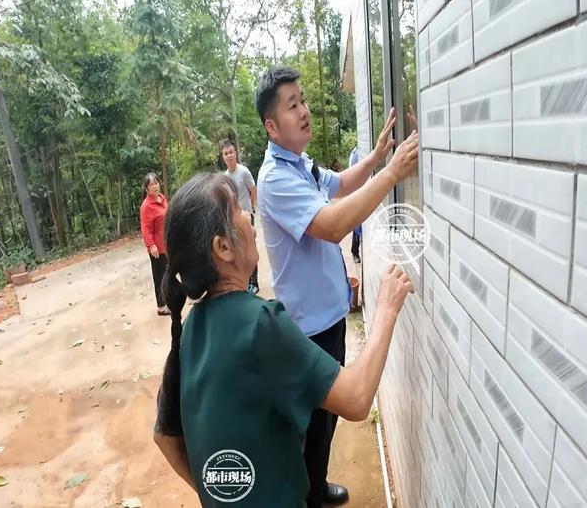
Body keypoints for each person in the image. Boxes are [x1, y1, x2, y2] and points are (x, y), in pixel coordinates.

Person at [152, 172, 414, 507]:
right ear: (224, 247)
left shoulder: (190, 327)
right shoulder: (260, 324)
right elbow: (357, 398)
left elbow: (163, 436)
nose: (250, 219)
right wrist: (387, 307)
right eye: (240, 213)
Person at [255, 66, 419, 507]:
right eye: (292, 106)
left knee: (324, 421)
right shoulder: (275, 180)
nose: (304, 111)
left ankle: (317, 483)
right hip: (308, 329)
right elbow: (332, 224)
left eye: (302, 100)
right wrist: (391, 175)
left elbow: (340, 185)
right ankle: (306, 496)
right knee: (309, 424)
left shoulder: (301, 164)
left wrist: (377, 158)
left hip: (329, 317)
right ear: (272, 126)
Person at [222, 139, 259, 294]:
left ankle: (254, 282)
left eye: (231, 152)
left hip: (246, 216)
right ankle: (242, 282)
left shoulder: (243, 171)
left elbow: (253, 189)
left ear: (235, 154)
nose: (229, 156)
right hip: (233, 219)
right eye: (226, 153)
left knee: (249, 248)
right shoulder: (225, 176)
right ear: (223, 157)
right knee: (238, 250)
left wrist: (251, 208)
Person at [140, 172, 170, 316]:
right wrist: (151, 245)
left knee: (170, 272)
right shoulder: (146, 206)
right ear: (146, 189)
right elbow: (146, 228)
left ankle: (173, 299)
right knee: (160, 276)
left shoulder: (162, 198)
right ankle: (161, 306)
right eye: (151, 184)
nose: (155, 186)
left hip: (167, 244)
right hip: (157, 248)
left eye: (156, 183)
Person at [347, 146, 362, 263]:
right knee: (357, 225)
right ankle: (355, 252)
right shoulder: (357, 153)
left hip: (356, 192)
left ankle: (355, 251)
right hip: (356, 192)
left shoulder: (355, 152)